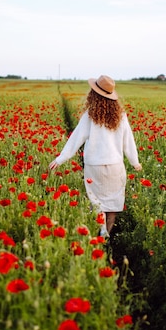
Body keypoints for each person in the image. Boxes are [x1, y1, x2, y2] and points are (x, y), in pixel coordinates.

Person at [49, 75, 142, 238]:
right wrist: (135, 162)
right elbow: (129, 141)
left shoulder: (90, 115)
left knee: (97, 201)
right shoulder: (121, 116)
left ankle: (100, 231)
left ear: (94, 94)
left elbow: (76, 138)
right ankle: (106, 236)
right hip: (115, 166)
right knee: (112, 204)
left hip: (94, 166)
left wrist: (60, 159)